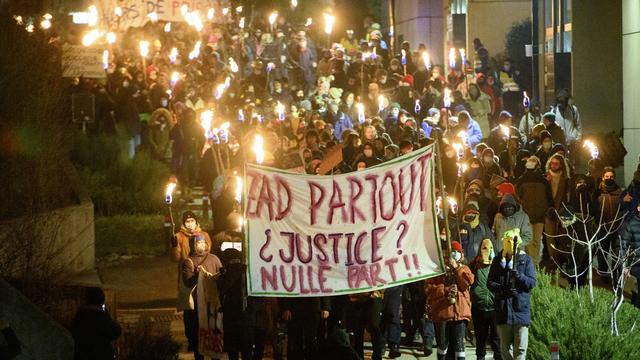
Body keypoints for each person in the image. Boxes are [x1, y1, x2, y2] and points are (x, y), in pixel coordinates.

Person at [425, 241, 474, 360]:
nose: (455, 254)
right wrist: (445, 290)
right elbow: (428, 289)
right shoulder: (437, 269)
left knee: (459, 347)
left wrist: (457, 268)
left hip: (459, 314)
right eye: (452, 251)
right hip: (442, 314)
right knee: (443, 346)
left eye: (457, 252)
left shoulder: (464, 268)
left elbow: (467, 283)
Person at [181, 234, 223, 360]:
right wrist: (198, 276)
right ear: (193, 245)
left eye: (203, 242)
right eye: (198, 242)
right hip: (197, 308)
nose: (202, 244)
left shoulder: (214, 259)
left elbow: (221, 277)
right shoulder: (188, 262)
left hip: (212, 306)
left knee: (214, 335)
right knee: (198, 338)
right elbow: (188, 282)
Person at [515, 156, 553, 263]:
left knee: (536, 241)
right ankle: (531, 264)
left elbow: (548, 198)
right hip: (527, 216)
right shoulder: (522, 180)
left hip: (540, 216)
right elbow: (518, 198)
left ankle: (533, 263)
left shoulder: (543, 181)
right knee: (529, 240)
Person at [470, 239, 502, 360]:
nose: (487, 251)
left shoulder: (498, 264)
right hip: (479, 308)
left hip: (494, 308)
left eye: (490, 248)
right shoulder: (474, 264)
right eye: (484, 248)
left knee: (496, 341)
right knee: (480, 340)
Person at [72, 287, 122, 360]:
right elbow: (116, 332)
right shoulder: (102, 318)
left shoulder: (79, 317)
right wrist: (106, 314)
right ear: (101, 301)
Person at [593, 167, 623, 273]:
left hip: (616, 228)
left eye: (611, 177)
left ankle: (616, 274)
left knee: (616, 253)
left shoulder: (620, 192)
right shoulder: (598, 192)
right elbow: (593, 209)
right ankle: (603, 273)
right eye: (607, 176)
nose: (609, 178)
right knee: (603, 253)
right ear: (602, 177)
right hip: (603, 227)